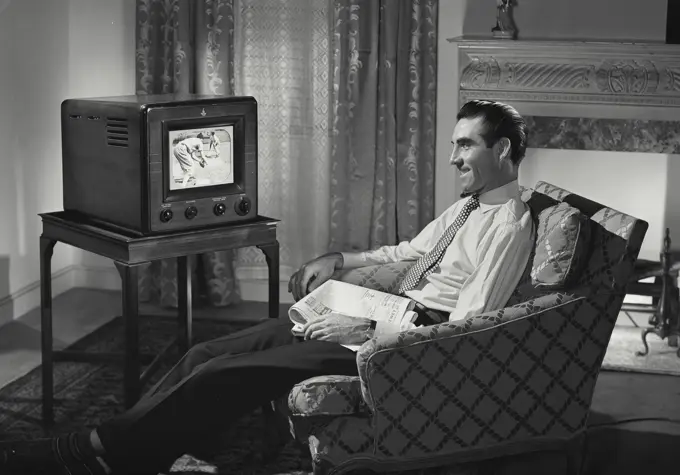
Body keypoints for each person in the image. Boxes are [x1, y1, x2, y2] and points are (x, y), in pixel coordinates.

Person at [0, 100, 535, 475]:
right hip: (385, 316)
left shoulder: (509, 224)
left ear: (503, 148)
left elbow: (465, 328)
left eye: (465, 145)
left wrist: (368, 326)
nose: (453, 158)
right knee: (205, 351)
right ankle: (136, 449)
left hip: (398, 348)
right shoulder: (469, 206)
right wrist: (339, 259)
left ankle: (98, 449)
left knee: (226, 373)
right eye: (453, 144)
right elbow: (408, 254)